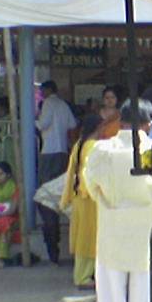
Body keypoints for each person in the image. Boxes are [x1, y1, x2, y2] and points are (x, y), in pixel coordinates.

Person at [84, 98, 152, 302]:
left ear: (121, 121)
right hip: (146, 245)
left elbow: (91, 188)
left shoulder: (102, 151)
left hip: (111, 241)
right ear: (149, 123)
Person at [36, 80, 77, 264]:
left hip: (48, 151)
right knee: (60, 191)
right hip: (62, 152)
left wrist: (33, 120)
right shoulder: (63, 105)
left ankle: (52, 236)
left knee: (46, 194)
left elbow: (43, 124)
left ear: (47, 90)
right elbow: (71, 124)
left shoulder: (48, 104)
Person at [60, 114, 102, 288]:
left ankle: (84, 275)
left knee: (83, 238)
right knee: (90, 239)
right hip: (89, 197)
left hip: (80, 196)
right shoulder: (93, 146)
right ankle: (83, 277)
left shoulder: (79, 144)